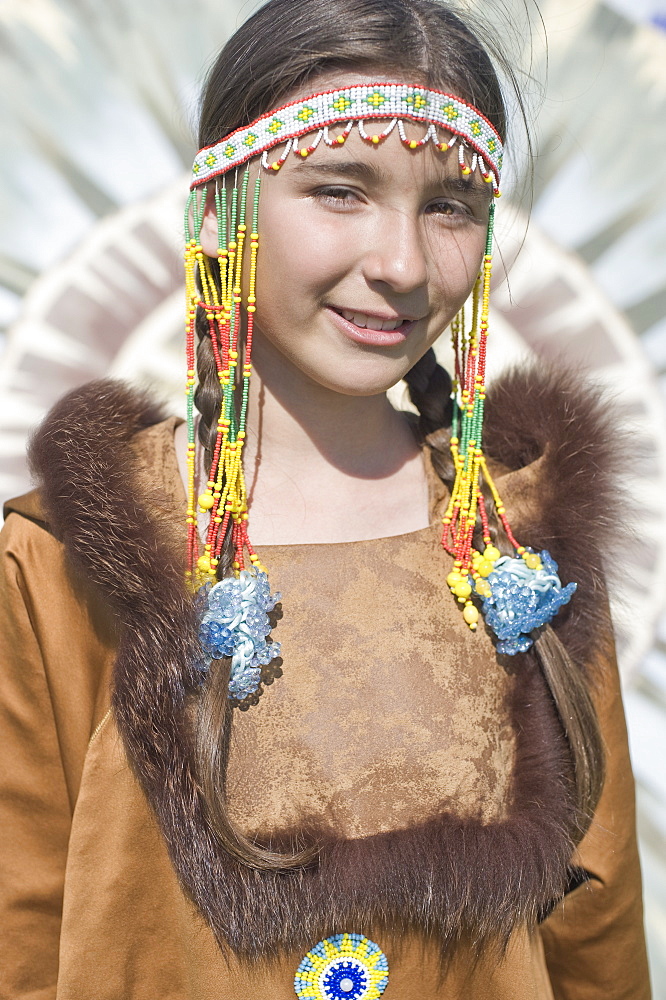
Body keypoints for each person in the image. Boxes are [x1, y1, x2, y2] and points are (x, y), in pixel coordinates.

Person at [0, 0, 651, 997]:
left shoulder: (525, 556)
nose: (398, 262)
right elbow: (22, 927)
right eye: (340, 190)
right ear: (223, 208)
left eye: (449, 206)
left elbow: (593, 945)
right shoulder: (65, 558)